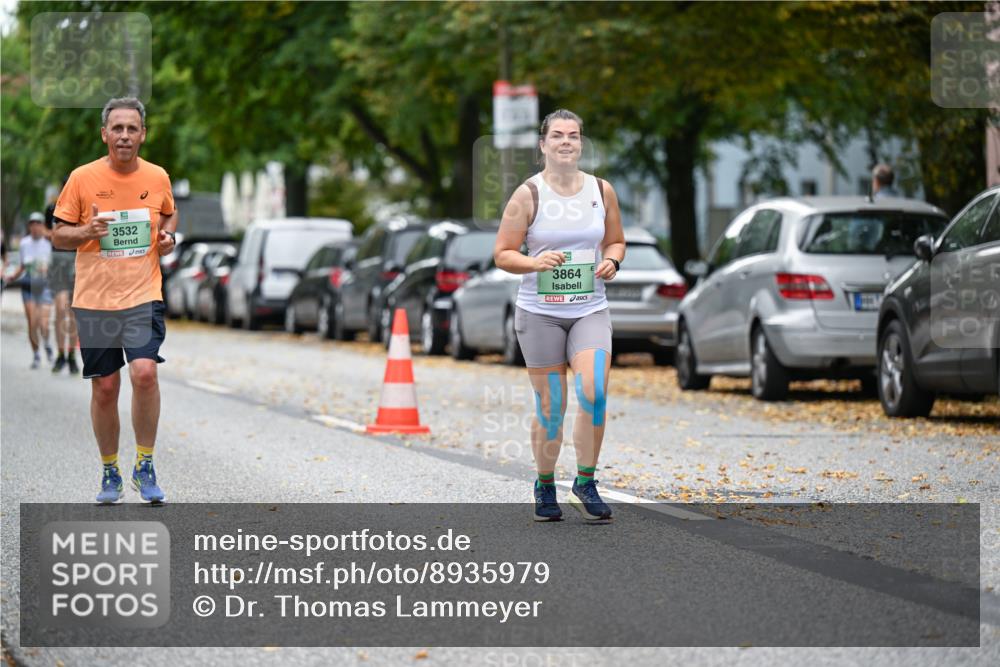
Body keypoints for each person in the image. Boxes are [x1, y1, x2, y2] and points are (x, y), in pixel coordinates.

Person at [494, 109, 625, 522]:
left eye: (573, 135)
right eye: (557, 135)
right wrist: (534, 263)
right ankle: (545, 484)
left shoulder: (601, 191)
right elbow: (503, 254)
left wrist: (612, 262)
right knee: (552, 407)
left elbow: (616, 241)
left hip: (590, 309)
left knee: (595, 392)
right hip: (540, 315)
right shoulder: (527, 195)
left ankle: (586, 481)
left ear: (581, 143)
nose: (566, 141)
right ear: (543, 144)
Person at [51, 97, 178, 504]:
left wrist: (169, 239)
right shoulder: (82, 178)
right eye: (117, 128)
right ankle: (110, 470)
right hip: (95, 300)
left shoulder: (158, 177)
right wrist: (88, 229)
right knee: (105, 388)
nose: (125, 135)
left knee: (144, 373)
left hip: (143, 295)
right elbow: (58, 235)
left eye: (132, 128)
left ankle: (145, 463)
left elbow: (169, 215)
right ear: (104, 133)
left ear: (143, 134)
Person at [6, 213, 54, 368]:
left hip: (45, 286)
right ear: (29, 226)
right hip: (28, 286)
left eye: (38, 223)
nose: (35, 226)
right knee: (32, 322)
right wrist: (13, 276)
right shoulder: (24, 243)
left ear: (42, 226)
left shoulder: (49, 242)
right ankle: (36, 355)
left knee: (44, 324)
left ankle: (46, 343)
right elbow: (22, 266)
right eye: (32, 223)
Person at [46, 189, 80, 374]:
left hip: (76, 261)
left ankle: (71, 355)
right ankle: (60, 354)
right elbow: (45, 231)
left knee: (73, 313)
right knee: (60, 310)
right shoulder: (52, 208)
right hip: (58, 260)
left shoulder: (83, 207)